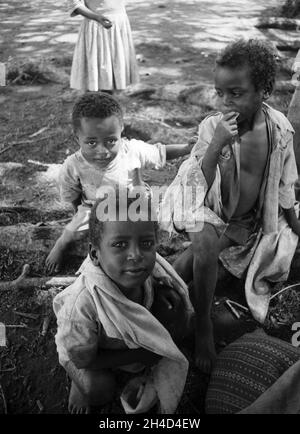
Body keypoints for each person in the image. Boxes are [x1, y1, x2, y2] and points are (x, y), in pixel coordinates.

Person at [159, 39, 300, 373]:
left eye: (235, 93)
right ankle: (204, 323)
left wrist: (294, 224)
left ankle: (163, 286)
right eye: (219, 92)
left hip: (243, 220)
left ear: (265, 90)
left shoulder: (279, 128)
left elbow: (285, 182)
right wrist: (217, 144)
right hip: (202, 207)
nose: (224, 102)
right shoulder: (213, 127)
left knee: (189, 263)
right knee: (205, 245)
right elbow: (197, 185)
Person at [53, 190, 193, 414]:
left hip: (118, 345)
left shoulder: (149, 273)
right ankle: (76, 382)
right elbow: (83, 359)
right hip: (84, 352)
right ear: (95, 254)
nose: (136, 255)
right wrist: (140, 354)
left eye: (146, 242)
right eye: (119, 245)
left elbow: (159, 278)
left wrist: (161, 289)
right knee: (99, 390)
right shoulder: (83, 307)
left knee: (171, 302)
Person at [45, 91, 193, 274]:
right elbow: (72, 195)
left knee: (152, 227)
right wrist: (80, 214)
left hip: (134, 203)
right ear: (77, 137)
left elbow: (161, 152)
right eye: (91, 143)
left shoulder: (132, 150)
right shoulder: (73, 165)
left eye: (110, 141)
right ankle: (61, 245)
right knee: (74, 230)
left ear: (121, 130)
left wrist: (186, 148)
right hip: (96, 207)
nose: (102, 151)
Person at [67, 0, 139, 92]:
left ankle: (110, 96)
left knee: (117, 66)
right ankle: (98, 97)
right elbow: (75, 5)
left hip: (119, 23)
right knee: (99, 68)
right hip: (96, 24)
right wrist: (96, 17)